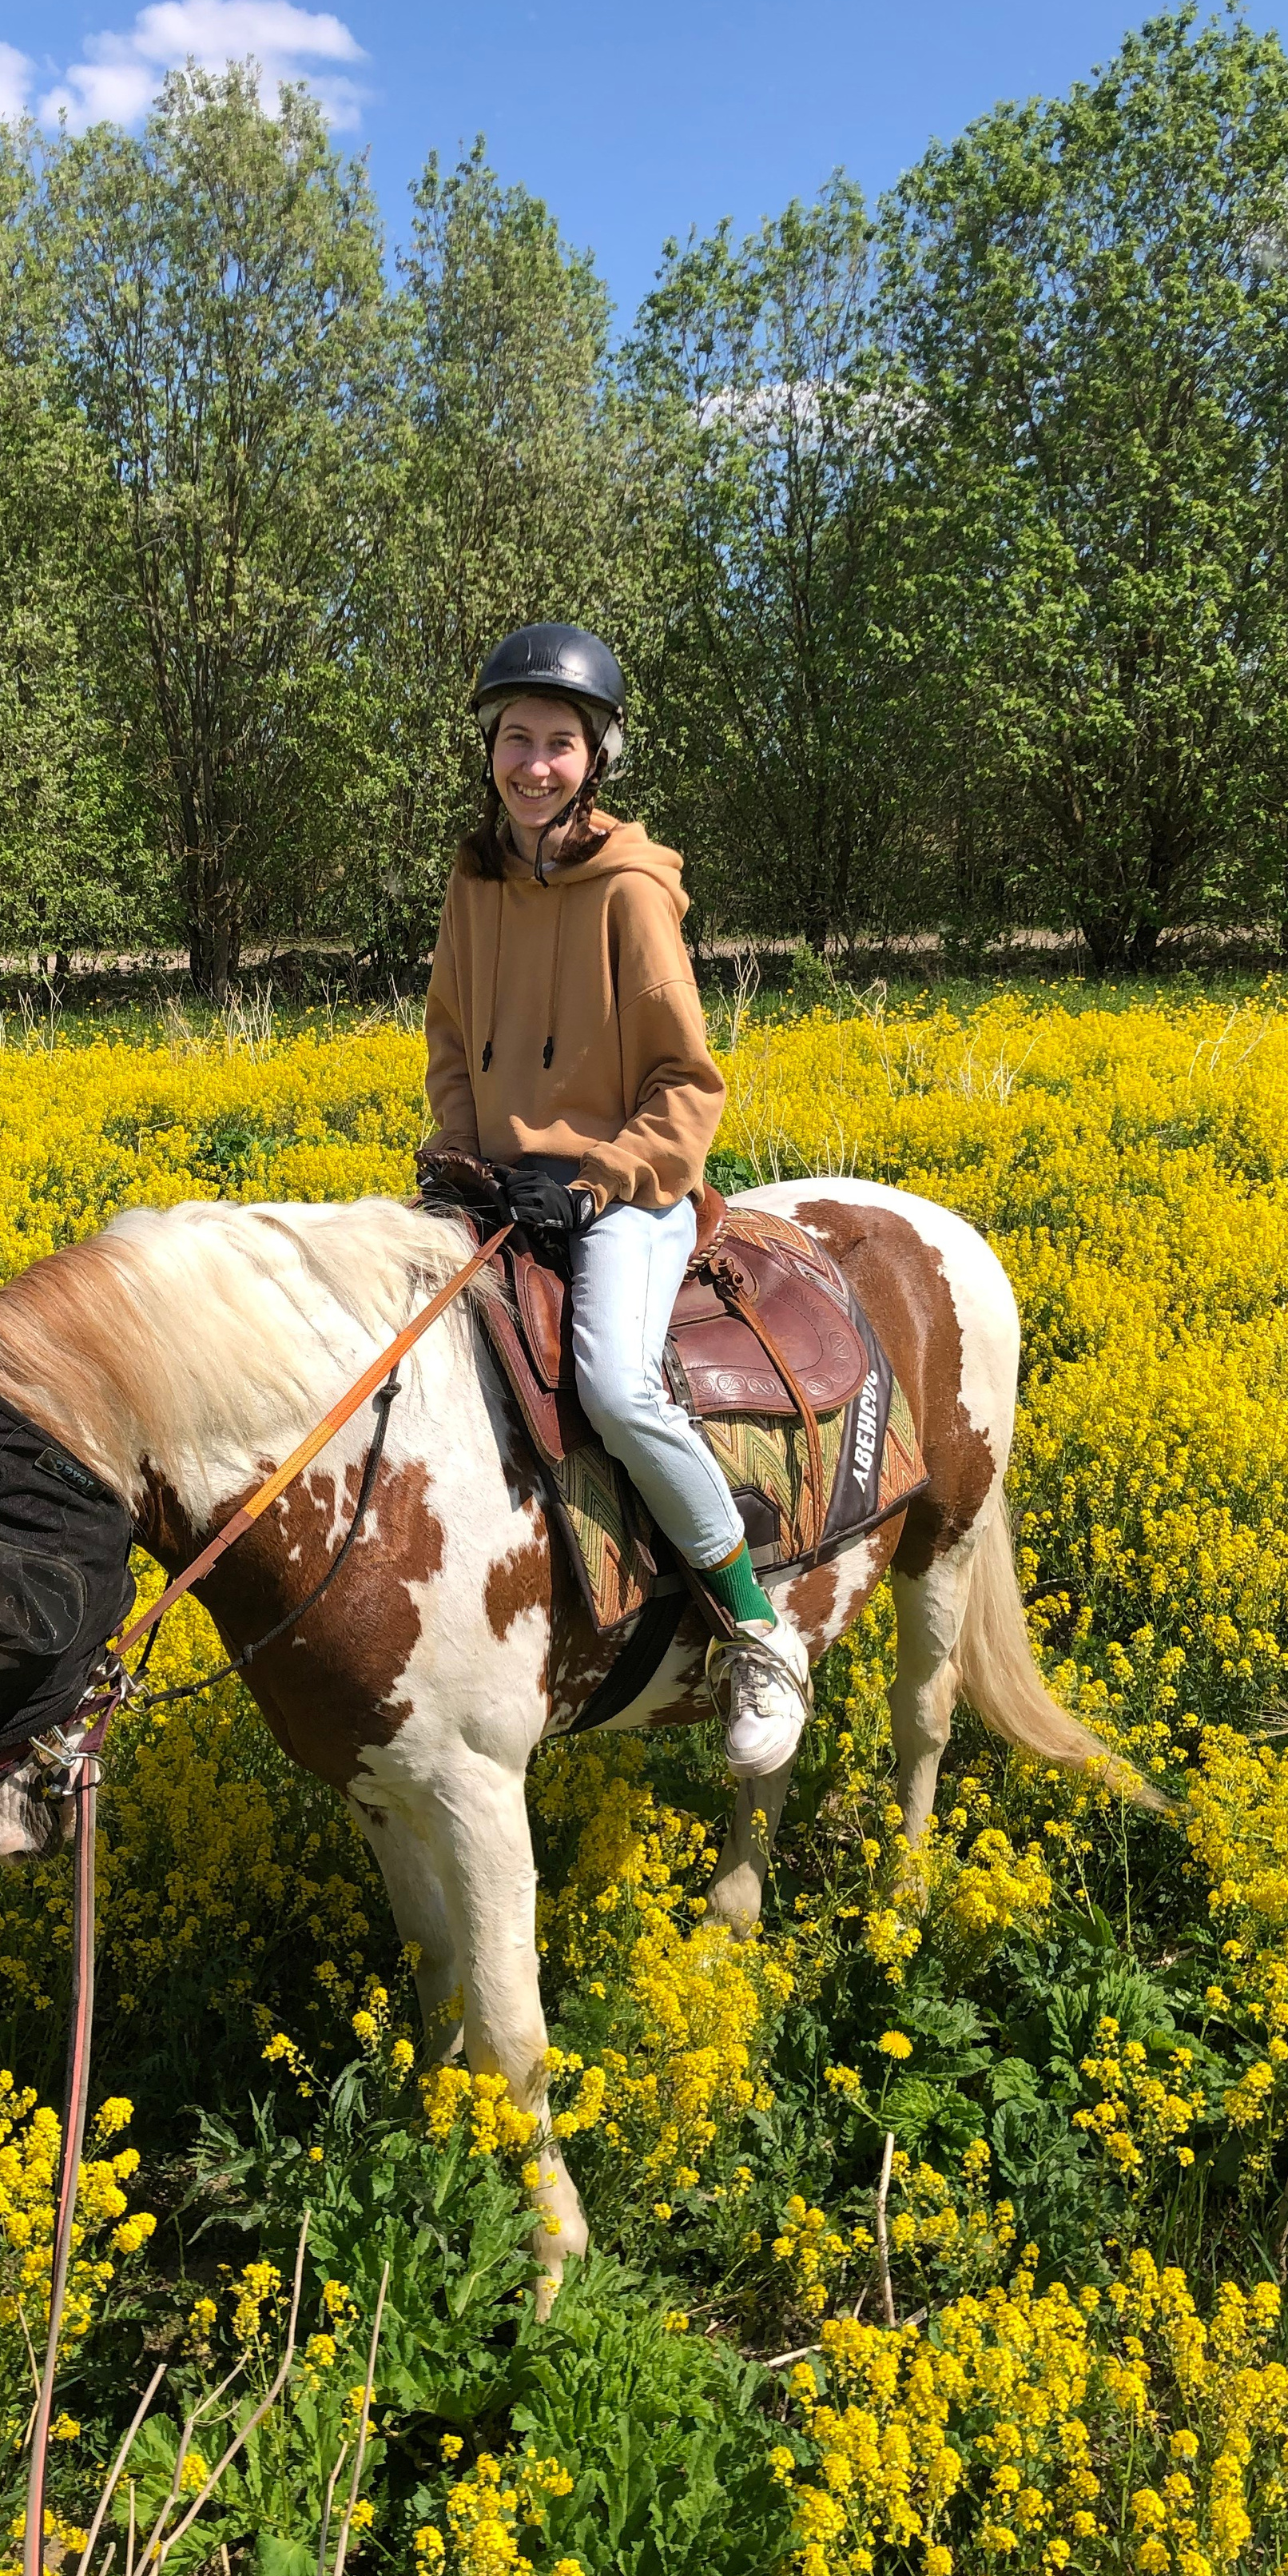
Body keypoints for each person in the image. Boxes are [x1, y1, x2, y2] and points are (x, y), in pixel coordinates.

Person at [419, 622, 812, 1778]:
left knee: (615, 1384)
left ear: (598, 760)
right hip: (500, 1184)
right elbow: (450, 1037)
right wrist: (458, 1150)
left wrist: (597, 1182)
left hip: (624, 1189)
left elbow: (689, 1084)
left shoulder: (631, 891)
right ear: (488, 748)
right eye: (515, 739)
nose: (534, 763)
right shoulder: (474, 877)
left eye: (560, 743)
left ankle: (755, 1628)